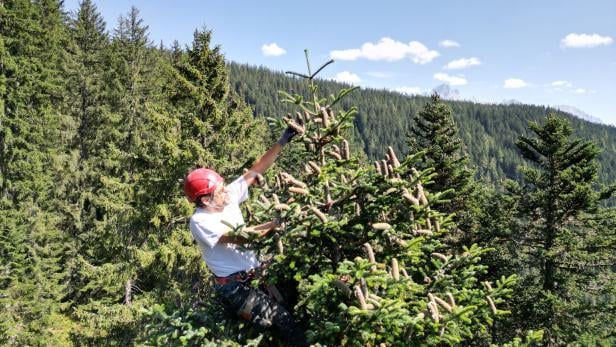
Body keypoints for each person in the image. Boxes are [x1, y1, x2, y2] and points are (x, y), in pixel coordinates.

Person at [184, 127, 308, 346]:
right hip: (234, 288)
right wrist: (276, 223)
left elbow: (257, 169)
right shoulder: (200, 222)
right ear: (205, 200)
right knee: (283, 320)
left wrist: (283, 140)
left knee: (295, 299)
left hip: (256, 273)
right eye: (220, 190)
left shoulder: (226, 197)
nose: (226, 192)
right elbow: (241, 238)